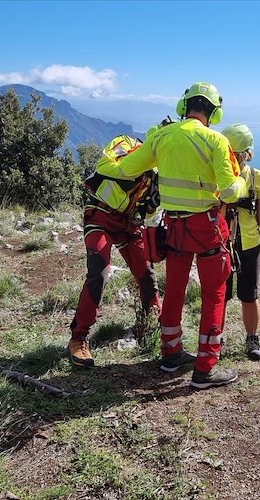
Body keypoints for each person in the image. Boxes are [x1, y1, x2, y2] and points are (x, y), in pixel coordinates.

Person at [100, 82, 247, 389]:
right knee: (214, 293)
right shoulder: (215, 141)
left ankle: (170, 354)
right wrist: (242, 182)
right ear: (214, 111)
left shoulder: (162, 137)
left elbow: (126, 168)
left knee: (176, 289)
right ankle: (205, 368)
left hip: (175, 228)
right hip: (206, 228)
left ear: (184, 106)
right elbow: (231, 192)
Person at [68, 134, 163, 367]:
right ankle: (78, 338)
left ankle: (155, 325)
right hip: (99, 216)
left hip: (128, 223)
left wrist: (151, 205)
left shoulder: (160, 172)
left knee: (146, 274)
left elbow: (148, 212)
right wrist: (144, 162)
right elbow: (107, 167)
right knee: (99, 273)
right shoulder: (127, 144)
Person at [220, 123, 260, 360]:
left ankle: (241, 339)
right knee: (224, 294)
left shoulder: (254, 179)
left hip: (236, 243)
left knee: (243, 294)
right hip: (228, 242)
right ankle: (220, 339)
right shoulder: (250, 177)